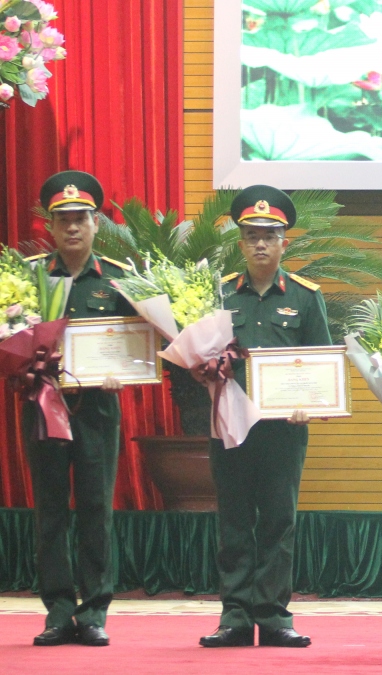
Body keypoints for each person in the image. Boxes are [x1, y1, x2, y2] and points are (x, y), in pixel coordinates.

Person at [199, 185, 331, 648]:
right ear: (240, 243)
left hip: (282, 430)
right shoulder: (216, 297)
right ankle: (234, 616)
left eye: (269, 235)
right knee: (233, 519)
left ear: (283, 243)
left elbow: (321, 363)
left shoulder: (306, 297)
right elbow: (196, 360)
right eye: (251, 235)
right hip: (230, 425)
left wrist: (310, 404)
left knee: (278, 520)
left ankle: (274, 616)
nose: (259, 243)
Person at [24, 171, 135, 647]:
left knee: (95, 509)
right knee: (50, 510)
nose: (72, 228)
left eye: (81, 219)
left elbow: (141, 345)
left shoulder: (117, 278)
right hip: (42, 406)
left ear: (96, 224)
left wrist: (124, 372)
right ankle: (57, 611)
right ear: (50, 226)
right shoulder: (27, 279)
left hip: (97, 410)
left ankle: (94, 612)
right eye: (63, 220)